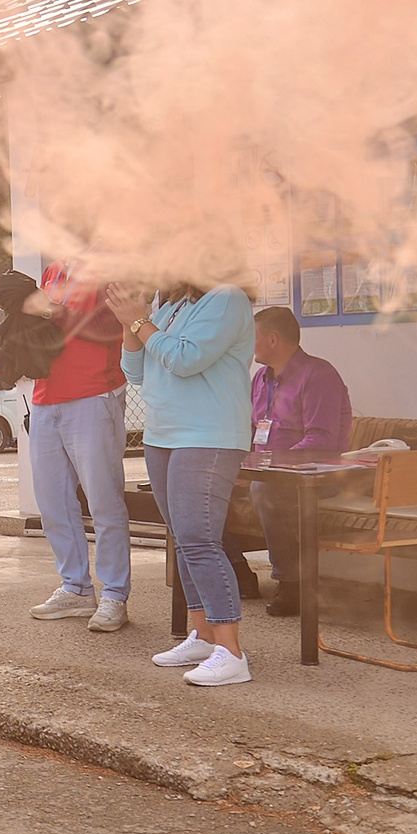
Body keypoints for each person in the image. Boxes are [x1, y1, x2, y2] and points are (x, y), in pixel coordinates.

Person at [106, 278, 257, 686]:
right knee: (181, 537)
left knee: (199, 538)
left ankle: (231, 652)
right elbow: (134, 371)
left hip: (207, 435)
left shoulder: (227, 299)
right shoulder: (173, 306)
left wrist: (139, 321)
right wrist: (129, 323)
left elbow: (186, 358)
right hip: (164, 436)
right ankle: (203, 636)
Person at [22, 263, 133, 634]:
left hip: (93, 393)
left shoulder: (114, 264)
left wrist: (52, 311)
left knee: (103, 500)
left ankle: (115, 593)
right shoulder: (54, 269)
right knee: (53, 502)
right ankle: (76, 587)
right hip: (45, 396)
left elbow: (111, 327)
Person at [248, 306, 355, 616]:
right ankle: (238, 572)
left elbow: (321, 442)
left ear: (272, 339)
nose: (248, 344)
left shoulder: (318, 375)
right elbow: (252, 429)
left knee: (264, 490)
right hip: (264, 470)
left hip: (316, 477)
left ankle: (292, 583)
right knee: (204, 485)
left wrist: (271, 467)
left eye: (252, 337)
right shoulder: (260, 378)